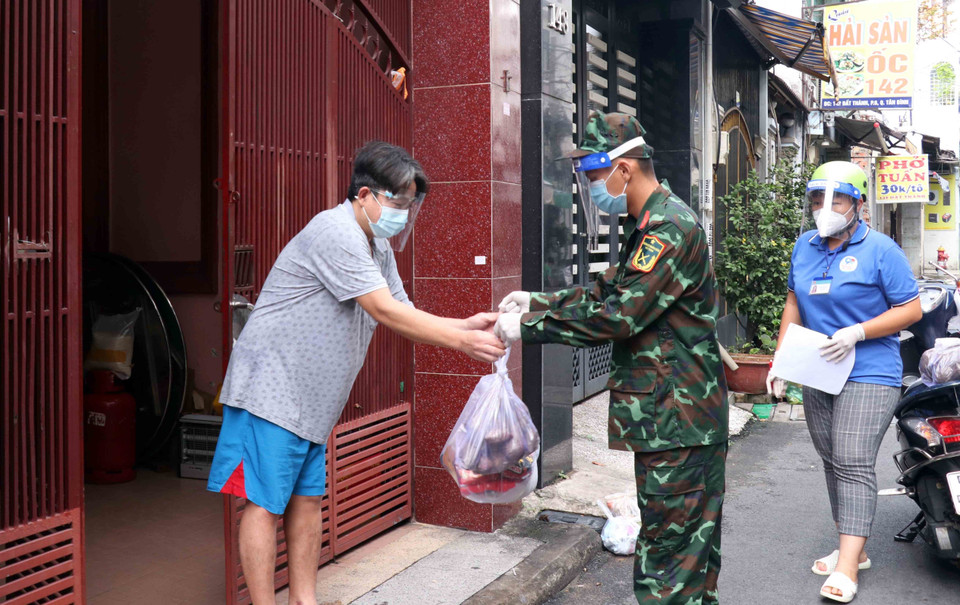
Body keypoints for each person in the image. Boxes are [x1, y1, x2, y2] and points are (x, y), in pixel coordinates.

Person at [206, 141, 506, 605]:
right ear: (365, 195)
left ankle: (304, 602)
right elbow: (384, 311)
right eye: (398, 202)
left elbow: (402, 307)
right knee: (264, 504)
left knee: (306, 502)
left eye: (410, 205)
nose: (403, 215)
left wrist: (462, 327)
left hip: (311, 401)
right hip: (272, 389)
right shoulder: (336, 232)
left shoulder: (375, 243)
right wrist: (461, 342)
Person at [495, 111, 728, 605]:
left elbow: (619, 317)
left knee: (669, 562)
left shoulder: (667, 229)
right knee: (690, 556)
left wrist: (530, 329)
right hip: (678, 419)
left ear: (624, 169)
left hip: (678, 419)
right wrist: (538, 301)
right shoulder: (646, 225)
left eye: (596, 175)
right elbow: (609, 291)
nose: (593, 188)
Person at [766, 161, 921, 603]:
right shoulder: (804, 246)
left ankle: (849, 566)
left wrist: (858, 332)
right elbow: (794, 303)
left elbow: (910, 309)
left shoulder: (882, 249)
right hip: (819, 369)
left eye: (836, 199)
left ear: (857, 203)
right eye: (818, 199)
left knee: (852, 460)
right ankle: (852, 547)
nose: (825, 208)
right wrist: (780, 359)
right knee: (834, 459)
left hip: (871, 370)